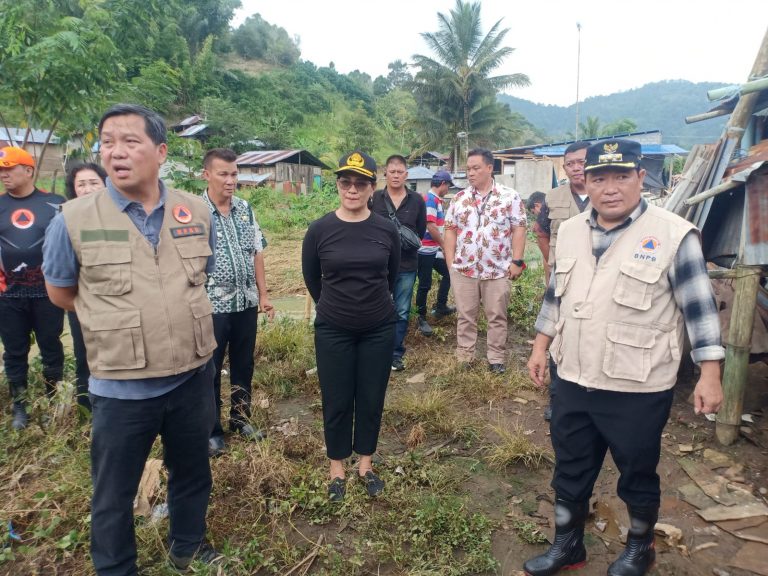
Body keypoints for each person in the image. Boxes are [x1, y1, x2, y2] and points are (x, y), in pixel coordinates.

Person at [524, 139, 724, 576]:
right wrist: (540, 346)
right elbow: (555, 295)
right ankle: (567, 544)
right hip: (573, 375)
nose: (609, 187)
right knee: (570, 466)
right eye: (599, 177)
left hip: (637, 383)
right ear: (584, 180)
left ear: (640, 177)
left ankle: (639, 548)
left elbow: (700, 308)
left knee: (637, 471)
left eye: (620, 176)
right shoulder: (573, 230)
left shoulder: (673, 235)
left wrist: (710, 373)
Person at [43, 104, 221, 575]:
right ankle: (117, 568)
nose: (116, 152)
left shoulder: (196, 210)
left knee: (192, 474)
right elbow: (61, 292)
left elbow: (203, 274)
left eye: (130, 141)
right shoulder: (74, 219)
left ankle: (188, 547)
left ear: (161, 152)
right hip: (122, 389)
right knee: (113, 493)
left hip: (191, 376)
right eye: (107, 142)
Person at [302, 151, 399, 502]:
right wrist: (337, 306)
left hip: (378, 328)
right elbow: (313, 278)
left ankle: (366, 464)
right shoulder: (320, 230)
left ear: (373, 187)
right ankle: (337, 468)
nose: (353, 189)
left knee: (371, 396)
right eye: (346, 182)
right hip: (333, 328)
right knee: (337, 397)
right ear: (339, 186)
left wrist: (369, 307)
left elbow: (388, 278)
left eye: (361, 183)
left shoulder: (386, 229)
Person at [202, 147, 275, 457]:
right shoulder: (194, 212)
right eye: (223, 174)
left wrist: (264, 294)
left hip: (245, 303)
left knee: (244, 363)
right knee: (210, 368)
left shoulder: (245, 209)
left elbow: (256, 251)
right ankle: (210, 431)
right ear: (207, 175)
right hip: (210, 307)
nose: (230, 180)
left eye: (234, 174)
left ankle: (240, 419)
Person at [443, 147, 527, 374]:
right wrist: (451, 263)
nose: (470, 173)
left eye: (476, 168)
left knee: (497, 316)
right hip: (464, 270)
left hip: (498, 270)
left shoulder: (509, 197)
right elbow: (450, 230)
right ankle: (465, 355)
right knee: (465, 315)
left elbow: (519, 227)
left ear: (490, 168)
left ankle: (496, 358)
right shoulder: (459, 198)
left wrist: (517, 261)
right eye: (468, 169)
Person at [0, 146, 65, 430]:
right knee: (14, 351)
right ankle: (20, 408)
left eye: (9, 169)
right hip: (8, 295)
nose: (4, 175)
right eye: (1, 170)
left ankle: (51, 401)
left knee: (51, 347)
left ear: (28, 170)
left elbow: (71, 242)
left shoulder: (54, 203)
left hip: (48, 293)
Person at [540, 141, 591, 421]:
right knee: (558, 337)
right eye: (570, 163)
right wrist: (551, 263)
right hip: (562, 281)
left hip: (598, 281)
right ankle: (557, 399)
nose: (576, 168)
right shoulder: (553, 197)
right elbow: (541, 231)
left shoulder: (606, 194)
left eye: (581, 162)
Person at [371, 155, 426, 371]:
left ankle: (395, 353)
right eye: (392, 171)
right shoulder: (374, 198)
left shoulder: (417, 201)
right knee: (377, 307)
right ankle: (375, 350)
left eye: (400, 171)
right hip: (377, 266)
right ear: (385, 174)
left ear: (406, 175)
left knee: (402, 310)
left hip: (406, 265)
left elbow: (419, 231)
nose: (395, 175)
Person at [64, 162, 108, 412]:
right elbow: (60, 283)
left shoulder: (121, 217)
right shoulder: (66, 221)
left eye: (94, 183)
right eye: (81, 184)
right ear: (73, 189)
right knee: (85, 355)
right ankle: (85, 407)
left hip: (118, 304)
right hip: (82, 304)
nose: (88, 189)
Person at [415, 170, 456, 337]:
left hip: (434, 249)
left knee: (449, 273)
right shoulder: (430, 200)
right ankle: (421, 317)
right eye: (448, 186)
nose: (448, 190)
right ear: (442, 185)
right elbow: (431, 227)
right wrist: (445, 246)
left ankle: (441, 306)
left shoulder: (437, 200)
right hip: (425, 250)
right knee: (425, 284)